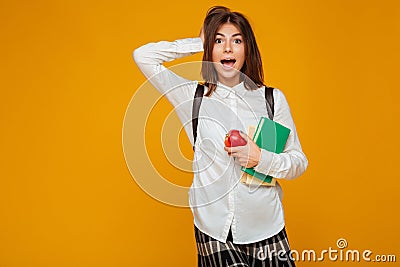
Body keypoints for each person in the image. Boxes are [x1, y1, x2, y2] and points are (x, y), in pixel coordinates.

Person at [133, 6, 308, 267]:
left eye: (236, 40)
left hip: (267, 228)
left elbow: (298, 163)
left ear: (247, 48)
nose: (228, 48)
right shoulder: (191, 97)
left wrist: (260, 157)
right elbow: (143, 56)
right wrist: (200, 41)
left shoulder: (272, 100)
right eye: (219, 41)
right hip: (214, 232)